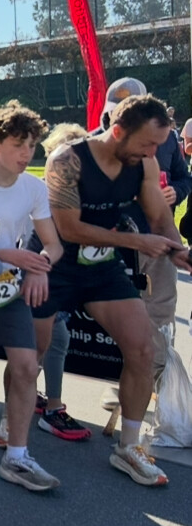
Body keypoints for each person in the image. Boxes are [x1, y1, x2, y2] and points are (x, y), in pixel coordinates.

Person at [35, 94, 190, 486]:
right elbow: (69, 229)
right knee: (30, 355)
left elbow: (159, 218)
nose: (153, 153)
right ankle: (14, 434)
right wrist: (137, 242)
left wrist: (178, 251)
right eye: (147, 144)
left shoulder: (145, 163)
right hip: (54, 263)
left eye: (159, 145)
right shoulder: (67, 161)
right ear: (118, 131)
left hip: (100, 265)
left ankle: (128, 447)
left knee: (143, 349)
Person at [0, 103, 66, 492]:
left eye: (32, 145)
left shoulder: (35, 188)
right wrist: (5, 252)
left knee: (26, 366)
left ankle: (17, 457)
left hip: (7, 286)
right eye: (18, 144)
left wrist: (39, 266)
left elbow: (53, 245)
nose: (27, 153)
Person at [99, 80, 189, 386]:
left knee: (161, 315)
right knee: (122, 320)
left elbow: (183, 177)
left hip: (159, 242)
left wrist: (175, 192)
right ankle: (123, 381)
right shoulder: (91, 146)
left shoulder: (166, 139)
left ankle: (159, 381)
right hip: (117, 249)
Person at [34, 124, 91, 439]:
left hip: (61, 276)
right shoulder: (45, 192)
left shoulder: (84, 190)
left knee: (51, 343)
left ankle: (42, 402)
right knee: (45, 344)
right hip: (41, 275)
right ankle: (49, 408)